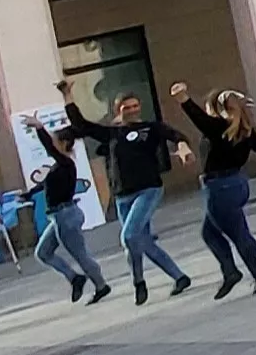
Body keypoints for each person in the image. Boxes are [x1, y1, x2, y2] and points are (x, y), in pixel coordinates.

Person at [58, 81, 194, 303]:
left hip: (148, 189)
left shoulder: (150, 128)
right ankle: (179, 277)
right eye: (126, 107)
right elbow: (81, 124)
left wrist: (183, 147)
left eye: (134, 106)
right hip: (122, 194)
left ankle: (138, 282)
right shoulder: (112, 133)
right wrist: (67, 95)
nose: (131, 110)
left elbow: (175, 135)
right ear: (117, 109)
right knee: (142, 242)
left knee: (129, 235)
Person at [174, 84, 256, 299]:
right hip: (237, 183)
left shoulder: (217, 126)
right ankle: (236, 271)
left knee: (237, 233)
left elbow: (197, 117)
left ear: (214, 107)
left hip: (219, 187)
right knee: (212, 232)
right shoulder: (244, 128)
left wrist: (183, 98)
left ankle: (251, 272)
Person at [23, 118, 112, 304]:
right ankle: (74, 278)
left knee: (80, 254)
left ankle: (101, 285)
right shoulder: (60, 166)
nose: (52, 145)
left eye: (55, 141)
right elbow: (47, 185)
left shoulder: (65, 162)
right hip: (58, 216)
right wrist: (28, 194)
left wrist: (39, 128)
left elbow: (49, 147)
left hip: (66, 215)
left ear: (62, 144)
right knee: (43, 252)